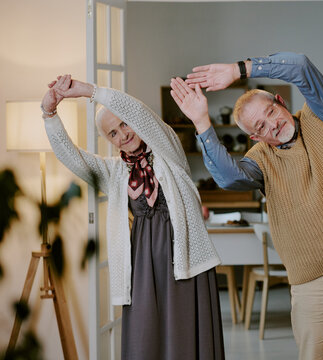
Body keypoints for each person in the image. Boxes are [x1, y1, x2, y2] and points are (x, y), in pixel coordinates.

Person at [170, 52, 323, 359]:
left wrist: (239, 69)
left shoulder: (322, 117)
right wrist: (201, 122)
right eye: (260, 126)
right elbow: (229, 179)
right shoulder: (259, 161)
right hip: (314, 280)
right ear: (254, 136)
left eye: (271, 112)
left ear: (280, 101)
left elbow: (300, 66)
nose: (272, 125)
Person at [41, 75, 224, 360]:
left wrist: (89, 91)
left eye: (124, 123)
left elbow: (139, 112)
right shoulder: (114, 173)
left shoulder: (168, 150)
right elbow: (71, 157)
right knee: (144, 337)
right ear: (110, 141)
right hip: (142, 265)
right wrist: (49, 114)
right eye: (113, 133)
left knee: (185, 335)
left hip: (186, 260)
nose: (123, 134)